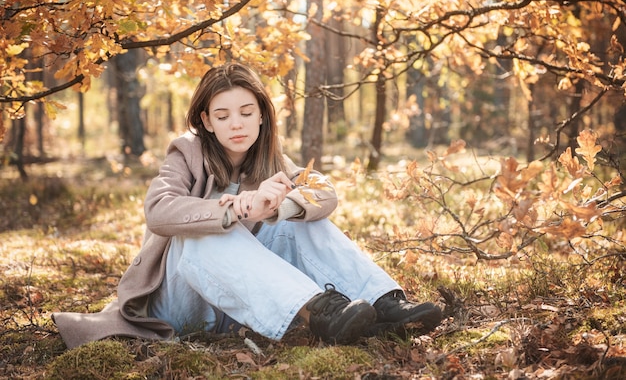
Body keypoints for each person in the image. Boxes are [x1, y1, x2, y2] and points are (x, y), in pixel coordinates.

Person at [52, 62, 442, 349]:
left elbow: (324, 191)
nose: (236, 124)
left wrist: (277, 209)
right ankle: (318, 312)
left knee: (299, 217)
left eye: (246, 113)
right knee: (203, 231)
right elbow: (158, 209)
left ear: (261, 115)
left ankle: (385, 304)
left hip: (237, 303)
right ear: (206, 120)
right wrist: (234, 211)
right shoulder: (185, 152)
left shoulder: (271, 159)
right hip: (178, 302)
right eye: (222, 115)